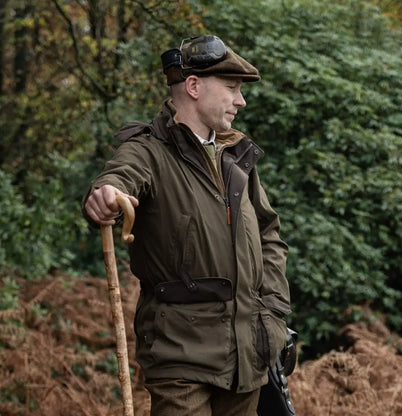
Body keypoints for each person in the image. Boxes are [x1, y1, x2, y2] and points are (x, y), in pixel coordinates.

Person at [82, 35, 291, 416]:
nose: (240, 101)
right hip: (180, 355)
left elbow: (269, 235)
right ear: (194, 87)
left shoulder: (237, 154)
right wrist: (106, 195)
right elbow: (118, 179)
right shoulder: (147, 150)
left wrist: (274, 310)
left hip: (249, 355)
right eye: (231, 89)